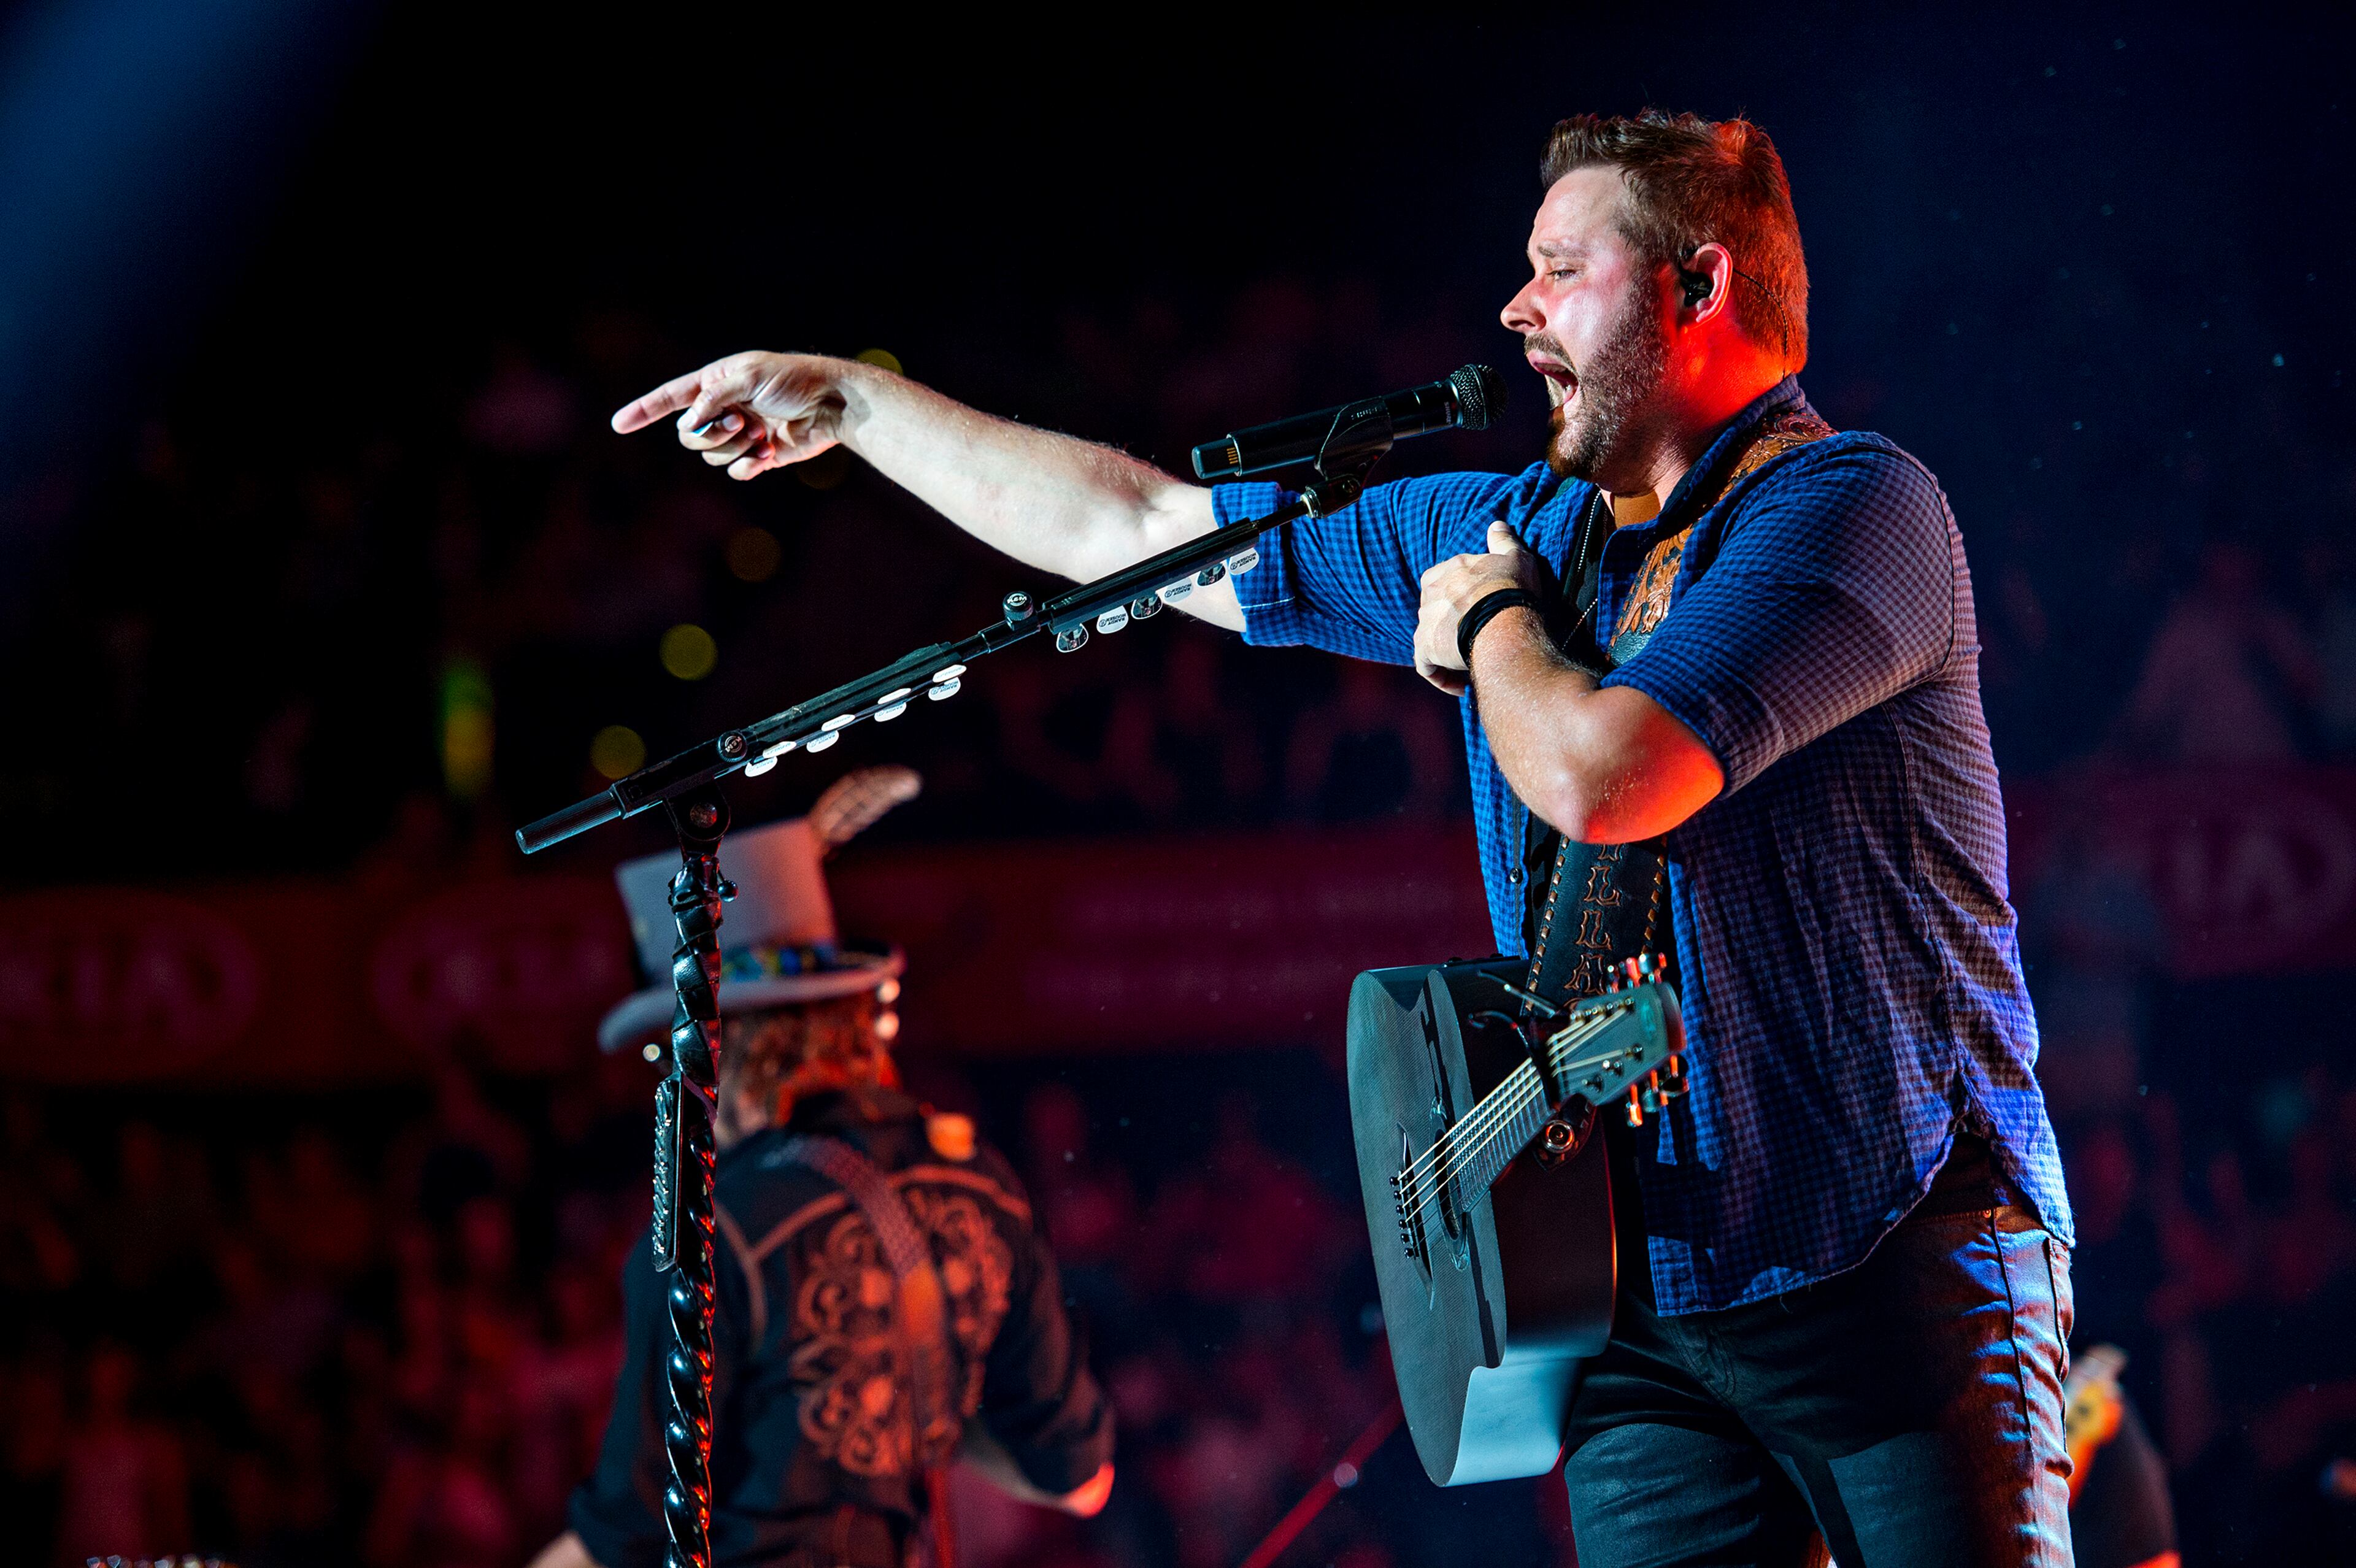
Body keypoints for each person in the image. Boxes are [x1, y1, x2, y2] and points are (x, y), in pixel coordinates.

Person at [612, 110, 2074, 1567]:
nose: (1517, 307)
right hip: (1643, 1301)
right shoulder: (1511, 522)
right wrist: (864, 412)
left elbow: (1609, 778)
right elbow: (1140, 529)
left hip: (1898, 1256)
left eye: (1564, 269)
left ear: (1698, 288)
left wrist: (1490, 619)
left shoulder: (1852, 508)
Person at [529, 770, 1114, 1568]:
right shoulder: (980, 1181)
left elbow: (621, 1540)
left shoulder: (713, 1233)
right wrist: (925, 1378)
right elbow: (1081, 1482)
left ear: (723, 1049)